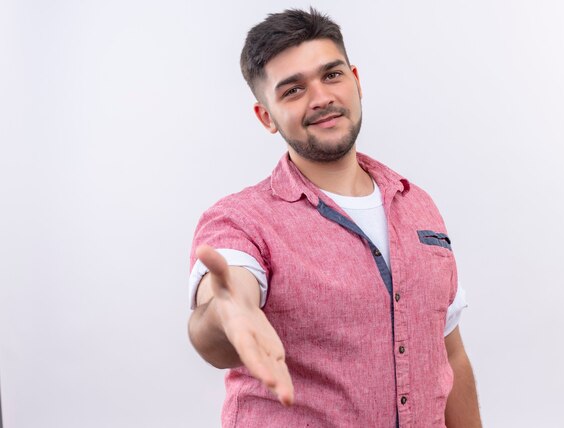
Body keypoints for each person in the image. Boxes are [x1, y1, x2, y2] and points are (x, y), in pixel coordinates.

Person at [188, 8, 482, 427]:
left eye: (332, 75)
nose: (321, 97)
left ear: (356, 81)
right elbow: (220, 309)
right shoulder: (241, 221)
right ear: (266, 116)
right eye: (292, 90)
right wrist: (230, 314)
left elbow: (449, 355)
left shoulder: (418, 206)